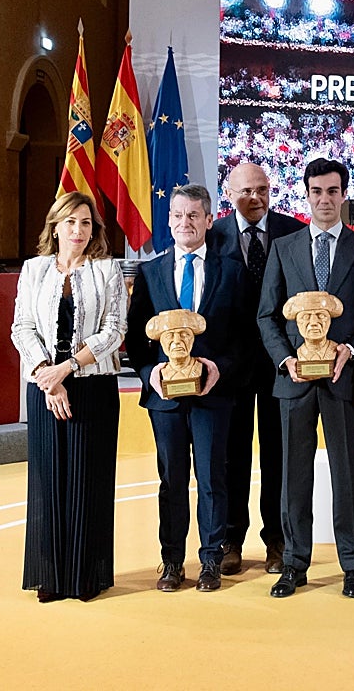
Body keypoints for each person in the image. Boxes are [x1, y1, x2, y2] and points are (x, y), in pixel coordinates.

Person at [258, 157, 354, 599]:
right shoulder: (284, 248)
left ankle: (352, 564)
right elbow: (267, 315)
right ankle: (294, 562)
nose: (325, 200)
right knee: (293, 475)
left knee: (347, 473)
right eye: (317, 192)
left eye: (332, 191)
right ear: (306, 195)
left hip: (342, 378)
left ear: (344, 195)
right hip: (293, 380)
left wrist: (353, 350)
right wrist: (284, 360)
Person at [127, 184, 253, 593]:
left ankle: (212, 560)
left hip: (213, 395)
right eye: (178, 215)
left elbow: (244, 339)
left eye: (193, 216)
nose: (185, 223)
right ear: (169, 220)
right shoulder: (150, 272)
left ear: (208, 220)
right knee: (172, 479)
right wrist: (151, 374)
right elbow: (135, 341)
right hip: (164, 399)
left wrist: (219, 367)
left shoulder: (231, 271)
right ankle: (171, 561)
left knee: (214, 478)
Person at [10, 191, 126, 602]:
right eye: (71, 222)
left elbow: (113, 331)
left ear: (94, 229)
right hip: (44, 386)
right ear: (55, 227)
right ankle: (50, 576)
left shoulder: (107, 270)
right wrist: (48, 374)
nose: (79, 230)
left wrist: (67, 368)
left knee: (88, 480)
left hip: (92, 385)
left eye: (86, 223)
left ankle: (84, 577)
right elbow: (21, 327)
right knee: (48, 479)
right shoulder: (33, 269)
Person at [209, 162, 305, 575]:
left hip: (279, 364)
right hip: (229, 367)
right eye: (246, 190)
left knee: (278, 455)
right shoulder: (212, 237)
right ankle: (231, 539)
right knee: (231, 455)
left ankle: (278, 541)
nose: (255, 197)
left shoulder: (292, 231)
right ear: (229, 193)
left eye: (262, 189)